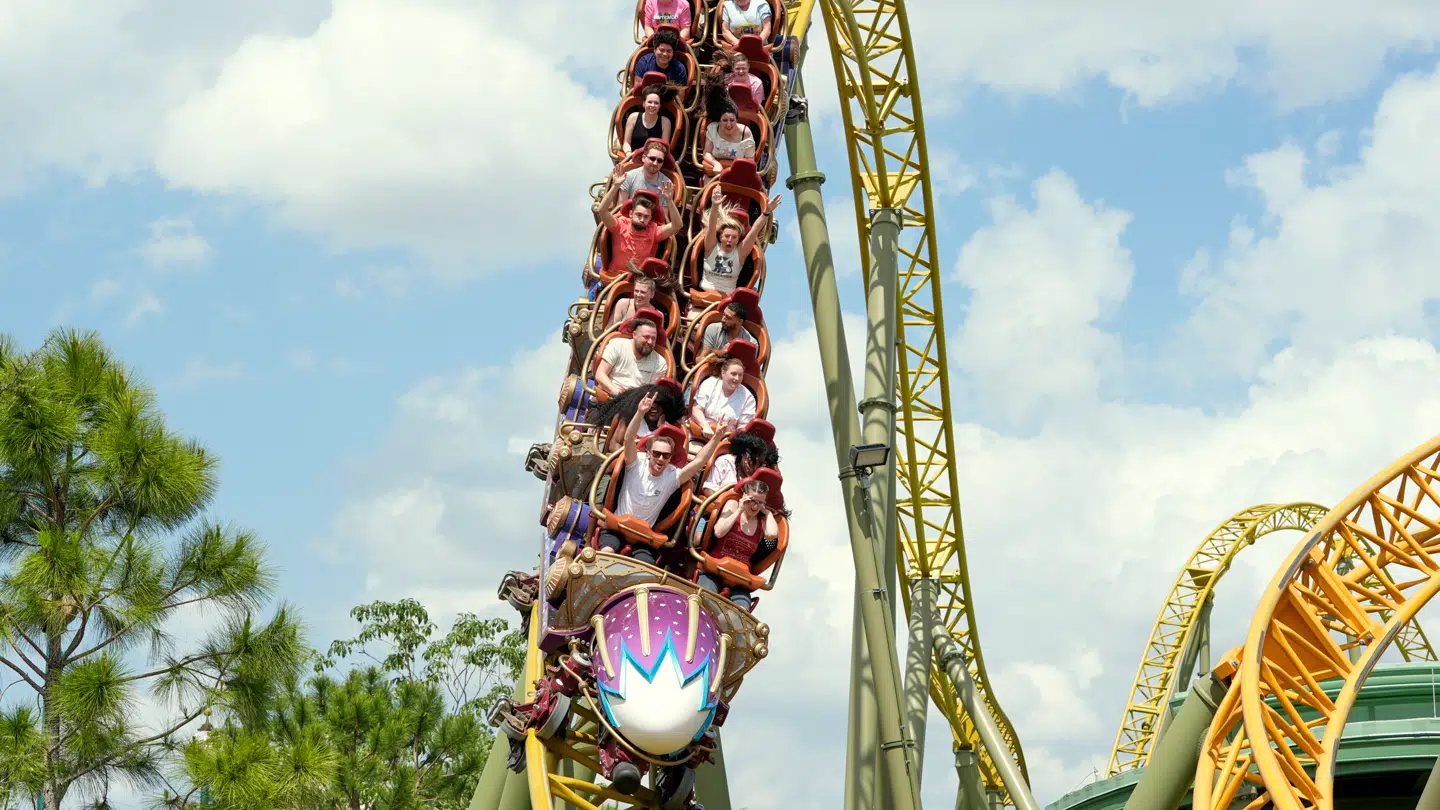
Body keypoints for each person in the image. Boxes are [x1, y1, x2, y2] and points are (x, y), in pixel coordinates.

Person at [598, 393, 729, 565]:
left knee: (643, 569)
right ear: (649, 453)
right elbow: (629, 438)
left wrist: (717, 438)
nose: (660, 459)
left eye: (666, 456)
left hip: (643, 537)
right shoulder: (636, 462)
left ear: (670, 458)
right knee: (607, 552)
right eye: (657, 454)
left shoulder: (672, 476)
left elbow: (699, 462)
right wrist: (640, 413)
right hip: (618, 527)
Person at [696, 478, 780, 611]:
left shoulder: (762, 520)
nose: (755, 506)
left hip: (740, 580)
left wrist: (767, 512)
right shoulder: (733, 505)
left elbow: (772, 534)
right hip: (715, 570)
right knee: (706, 601)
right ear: (744, 496)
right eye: (752, 500)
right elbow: (719, 532)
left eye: (759, 502)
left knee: (740, 613)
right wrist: (739, 510)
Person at [597, 163, 683, 273]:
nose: (642, 219)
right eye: (639, 215)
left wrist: (669, 201)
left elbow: (677, 225)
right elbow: (602, 210)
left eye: (646, 217)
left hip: (640, 280)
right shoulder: (620, 225)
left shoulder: (654, 230)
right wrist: (616, 186)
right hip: (615, 276)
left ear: (650, 217)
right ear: (631, 213)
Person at [699, 185, 779, 295]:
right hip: (704, 295)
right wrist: (715, 205)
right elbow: (712, 226)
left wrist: (766, 212)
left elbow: (754, 231)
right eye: (727, 236)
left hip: (727, 299)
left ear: (738, 240)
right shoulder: (711, 247)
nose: (730, 240)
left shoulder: (740, 253)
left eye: (734, 237)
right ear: (721, 237)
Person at [587, 379, 686, 439]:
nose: (654, 408)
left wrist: (661, 429)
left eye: (659, 405)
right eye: (650, 404)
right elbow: (614, 445)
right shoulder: (628, 418)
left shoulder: (669, 429)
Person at [595, 318, 667, 396]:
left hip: (636, 401)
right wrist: (618, 394)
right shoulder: (617, 345)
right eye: (646, 337)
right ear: (634, 334)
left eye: (653, 338)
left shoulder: (660, 362)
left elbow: (651, 393)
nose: (650, 342)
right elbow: (600, 374)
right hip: (609, 395)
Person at [691, 356, 756, 438]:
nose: (737, 378)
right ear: (723, 372)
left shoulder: (748, 397)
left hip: (725, 438)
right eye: (733, 374)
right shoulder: (710, 383)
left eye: (740, 375)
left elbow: (743, 426)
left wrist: (731, 437)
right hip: (700, 431)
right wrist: (705, 426)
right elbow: (696, 409)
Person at [700, 428, 778, 496]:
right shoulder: (725, 461)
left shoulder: (762, 477)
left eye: (760, 463)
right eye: (752, 460)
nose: (755, 466)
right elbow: (708, 489)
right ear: (743, 453)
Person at [701, 99, 756, 176]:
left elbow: (750, 160)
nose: (728, 124)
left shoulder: (745, 133)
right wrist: (716, 164)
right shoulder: (713, 128)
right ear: (719, 121)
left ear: (737, 120)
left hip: (738, 173)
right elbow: (707, 153)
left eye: (732, 120)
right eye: (725, 120)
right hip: (715, 171)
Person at [622, 86, 674, 155]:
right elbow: (626, 143)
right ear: (644, 103)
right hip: (633, 156)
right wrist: (629, 154)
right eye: (649, 102)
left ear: (660, 106)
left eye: (656, 103)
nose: (652, 105)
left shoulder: (665, 122)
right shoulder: (633, 117)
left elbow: (664, 148)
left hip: (654, 158)